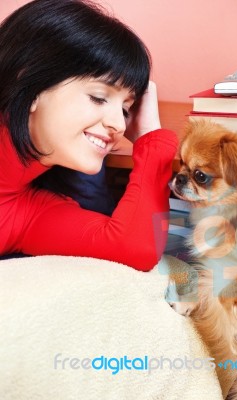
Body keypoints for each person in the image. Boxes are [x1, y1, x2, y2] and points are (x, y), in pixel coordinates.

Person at [0, 0, 178, 271]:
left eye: (126, 109)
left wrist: (150, 138)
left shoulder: (27, 213)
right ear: (29, 84)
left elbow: (137, 249)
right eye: (98, 98)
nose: (118, 124)